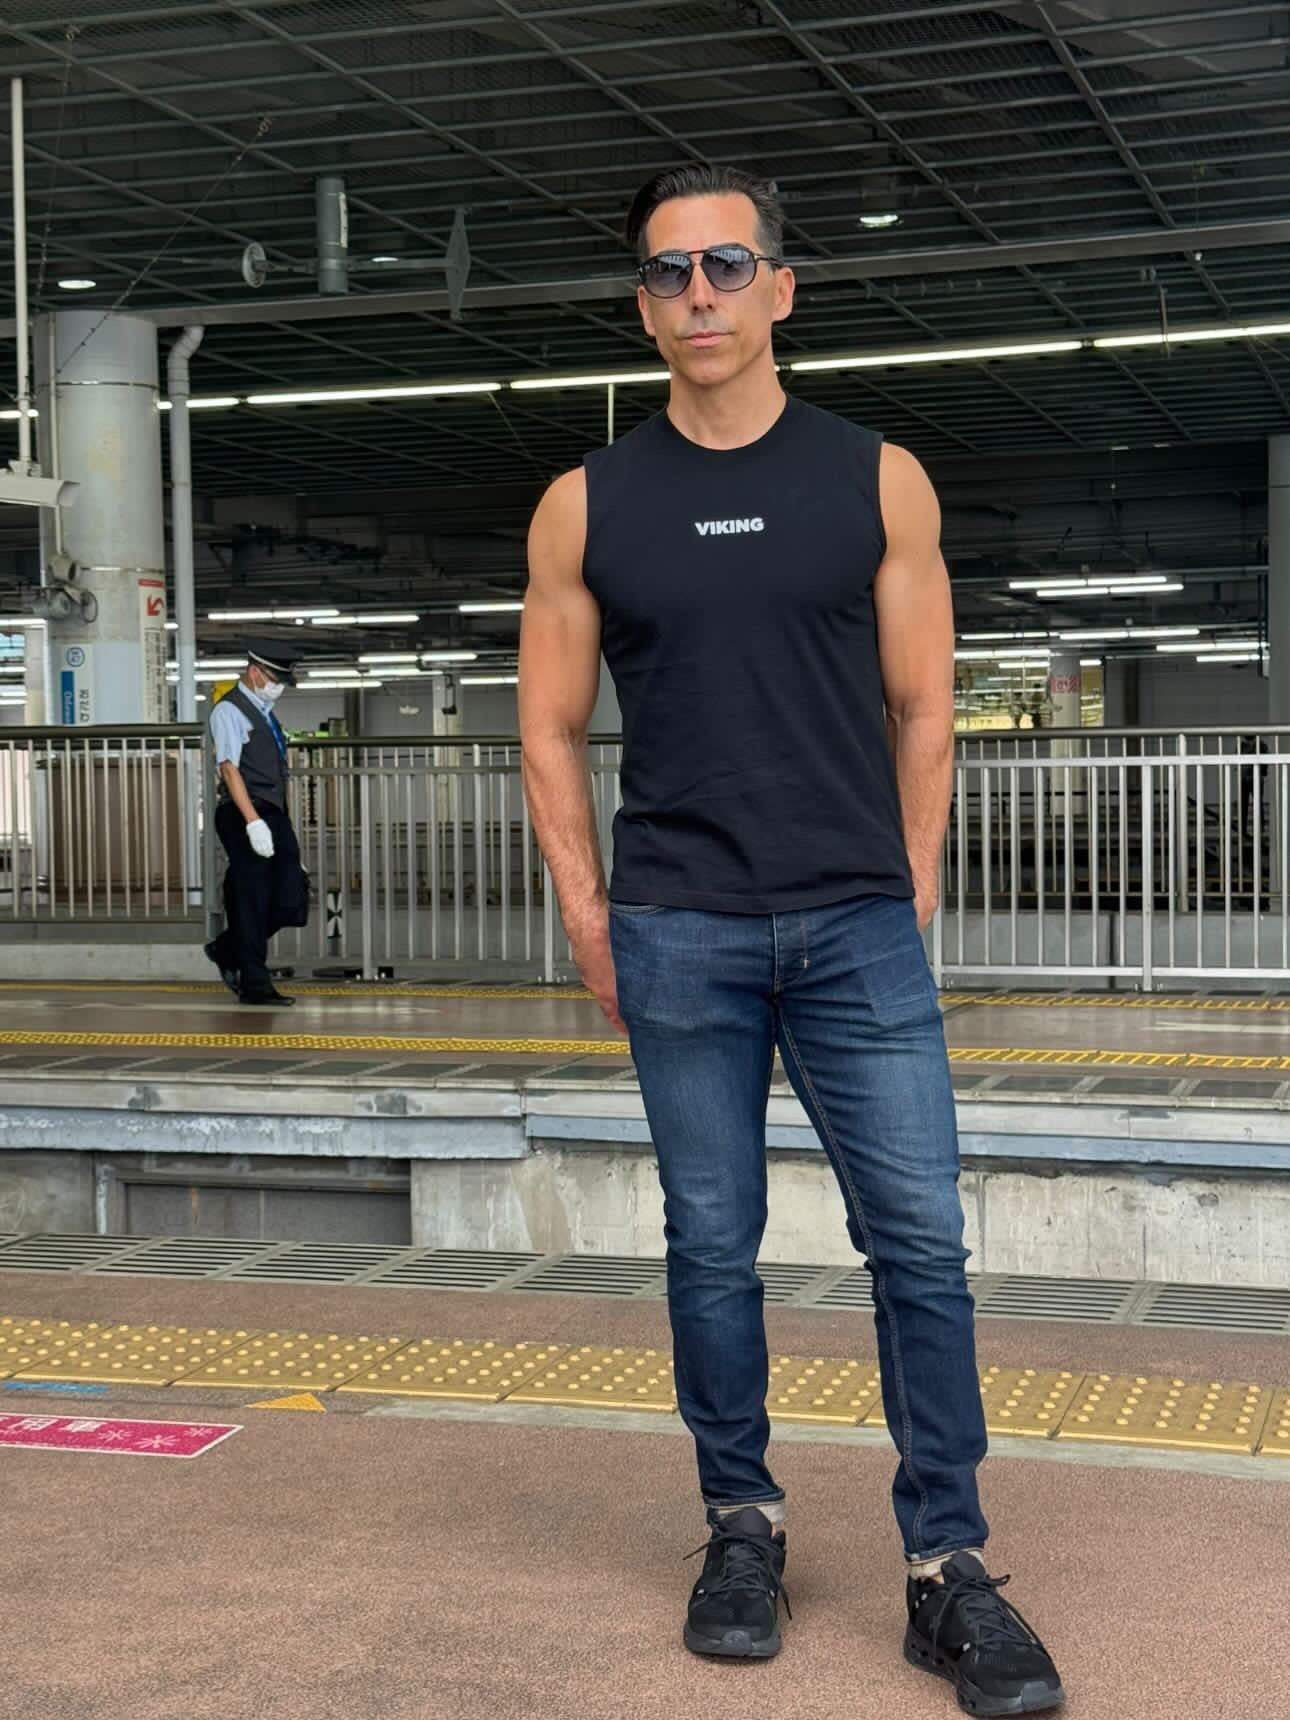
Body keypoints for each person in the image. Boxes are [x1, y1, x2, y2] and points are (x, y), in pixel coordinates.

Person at [518, 164, 1065, 1713]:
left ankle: (946, 1571)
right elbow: (547, 731)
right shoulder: (585, 503)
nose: (697, 293)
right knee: (709, 1246)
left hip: (852, 930)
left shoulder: (875, 478)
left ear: (780, 289)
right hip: (675, 926)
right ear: (642, 301)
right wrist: (584, 909)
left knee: (921, 1253)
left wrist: (907, 886)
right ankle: (739, 1525)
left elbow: (922, 704)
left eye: (725, 264)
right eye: (667, 272)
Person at [203, 645, 302, 1007]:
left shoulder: (266, 713)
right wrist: (252, 821)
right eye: (276, 679)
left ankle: (227, 949)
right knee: (253, 898)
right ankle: (255, 984)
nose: (279, 687)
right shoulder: (229, 710)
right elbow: (230, 769)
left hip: (271, 813)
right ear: (255, 671)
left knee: (292, 896)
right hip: (243, 812)